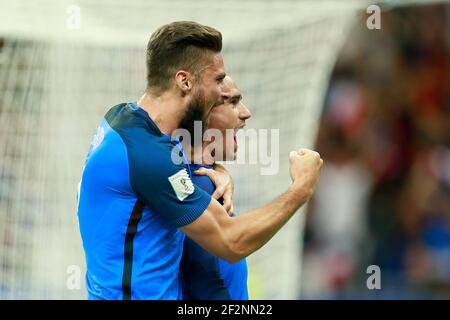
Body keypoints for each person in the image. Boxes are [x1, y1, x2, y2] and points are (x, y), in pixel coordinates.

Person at [77, 21, 323, 300]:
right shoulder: (147, 156)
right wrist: (301, 189)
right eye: (218, 81)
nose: (221, 92)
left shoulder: (122, 119)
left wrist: (210, 170)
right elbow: (231, 241)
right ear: (185, 81)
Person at [181, 76, 251, 300]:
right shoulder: (193, 188)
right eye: (232, 102)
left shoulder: (205, 180)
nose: (245, 112)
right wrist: (299, 191)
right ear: (204, 114)